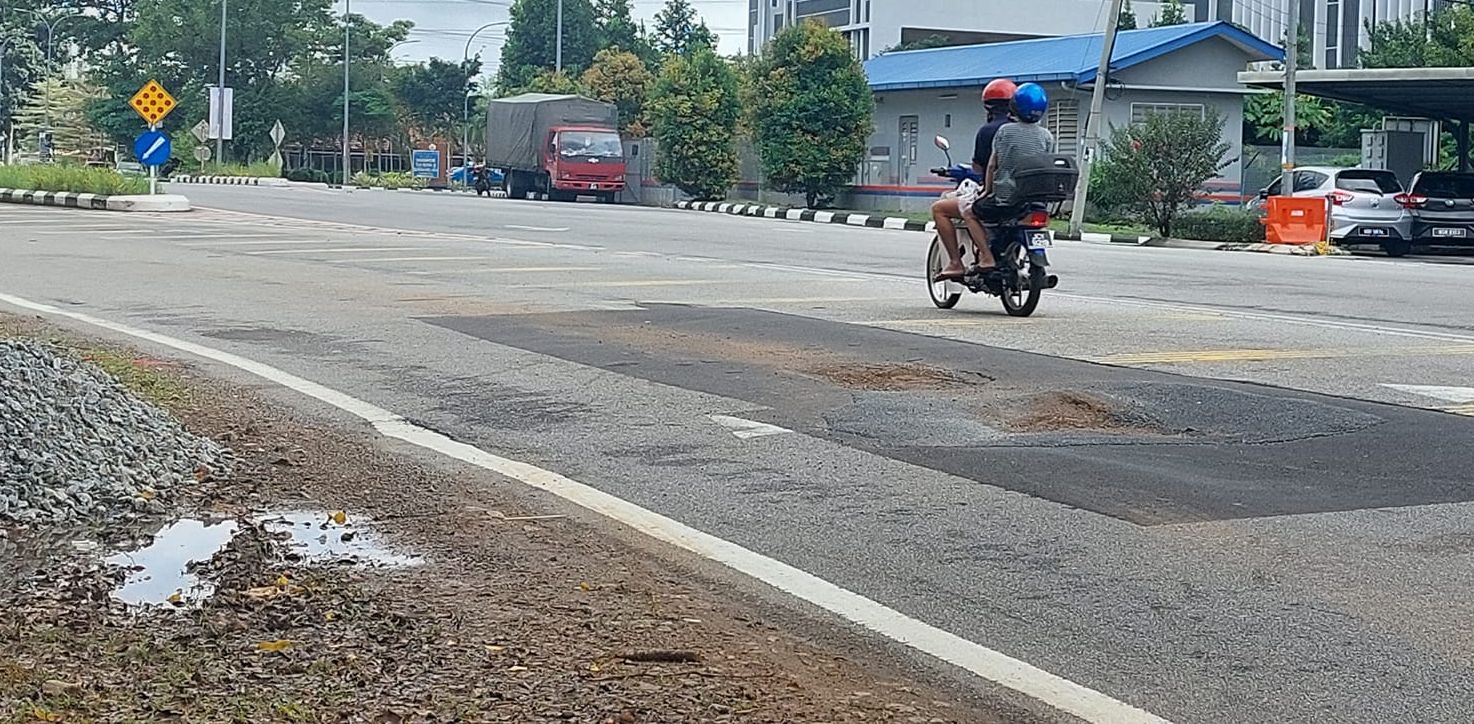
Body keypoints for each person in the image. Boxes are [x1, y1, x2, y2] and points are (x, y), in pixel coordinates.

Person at [930, 78, 1017, 280]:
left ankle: (957, 262)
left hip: (998, 194)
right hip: (1026, 196)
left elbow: (982, 166)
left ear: (988, 106)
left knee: (940, 209)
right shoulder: (1037, 132)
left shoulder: (990, 131)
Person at [977, 82, 1055, 219]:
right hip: (1035, 201)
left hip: (1006, 200)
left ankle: (984, 242)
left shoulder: (1005, 131)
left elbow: (991, 166)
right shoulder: (1047, 136)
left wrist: (987, 192)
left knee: (969, 212)